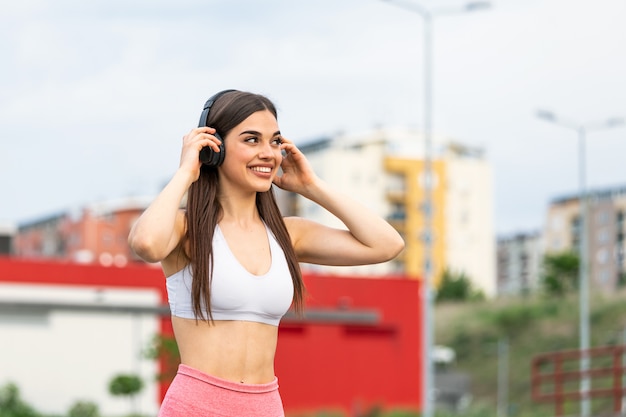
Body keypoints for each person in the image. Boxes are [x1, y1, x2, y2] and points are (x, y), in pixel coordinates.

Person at [128, 89, 405, 417]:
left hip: (266, 407)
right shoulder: (185, 229)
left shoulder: (288, 234)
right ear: (213, 149)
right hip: (196, 406)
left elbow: (387, 245)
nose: (268, 153)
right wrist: (187, 172)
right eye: (251, 140)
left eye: (274, 141)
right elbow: (146, 243)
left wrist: (312, 185)